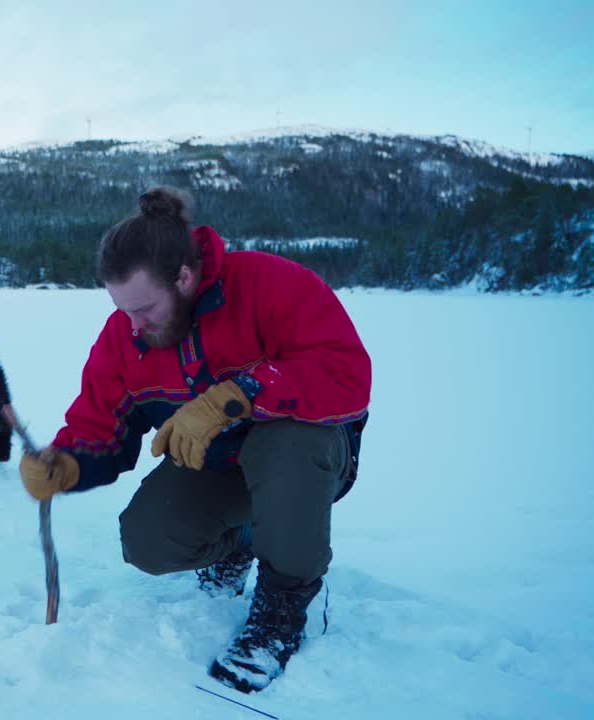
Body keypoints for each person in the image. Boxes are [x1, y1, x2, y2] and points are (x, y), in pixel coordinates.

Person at [20, 186, 371, 693]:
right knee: (148, 539)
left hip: (307, 458)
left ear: (183, 277)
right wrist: (66, 463)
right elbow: (98, 424)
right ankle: (244, 541)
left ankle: (282, 607)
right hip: (220, 467)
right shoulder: (126, 336)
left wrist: (239, 395)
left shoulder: (267, 284)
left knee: (286, 445)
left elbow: (344, 371)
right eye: (122, 309)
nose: (134, 325)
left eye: (144, 308)